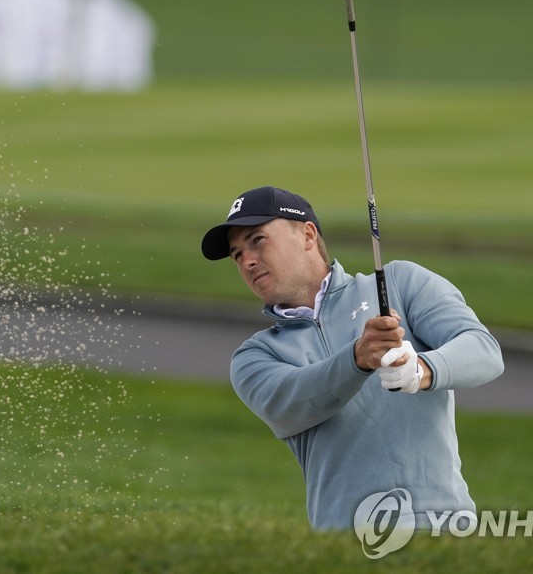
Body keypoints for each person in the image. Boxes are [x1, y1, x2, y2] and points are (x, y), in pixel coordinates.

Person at [200, 185, 504, 531]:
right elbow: (292, 402)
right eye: (237, 255)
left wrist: (420, 369)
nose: (248, 261)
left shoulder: (400, 283)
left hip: (442, 525)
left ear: (308, 235)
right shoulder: (256, 355)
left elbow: (483, 350)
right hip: (347, 538)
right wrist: (357, 360)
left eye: (257, 240)